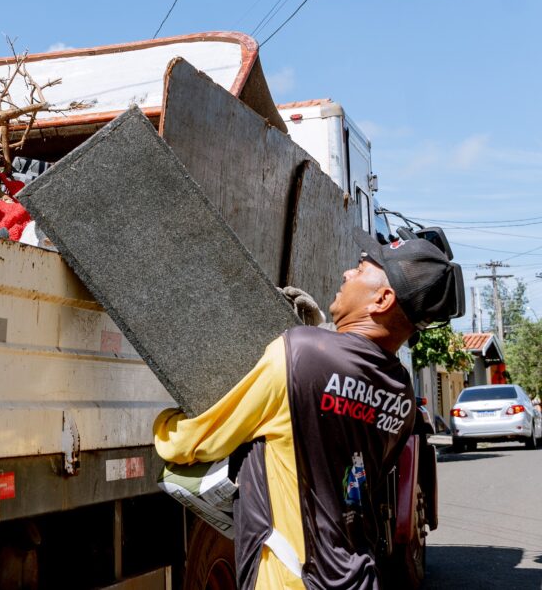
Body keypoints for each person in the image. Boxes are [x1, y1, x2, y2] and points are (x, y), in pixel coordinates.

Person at [154, 232, 463, 589]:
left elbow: (197, 441)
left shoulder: (300, 354)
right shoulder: (402, 393)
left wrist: (162, 424)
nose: (347, 274)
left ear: (382, 299)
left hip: (293, 579)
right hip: (356, 576)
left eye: (361, 269)